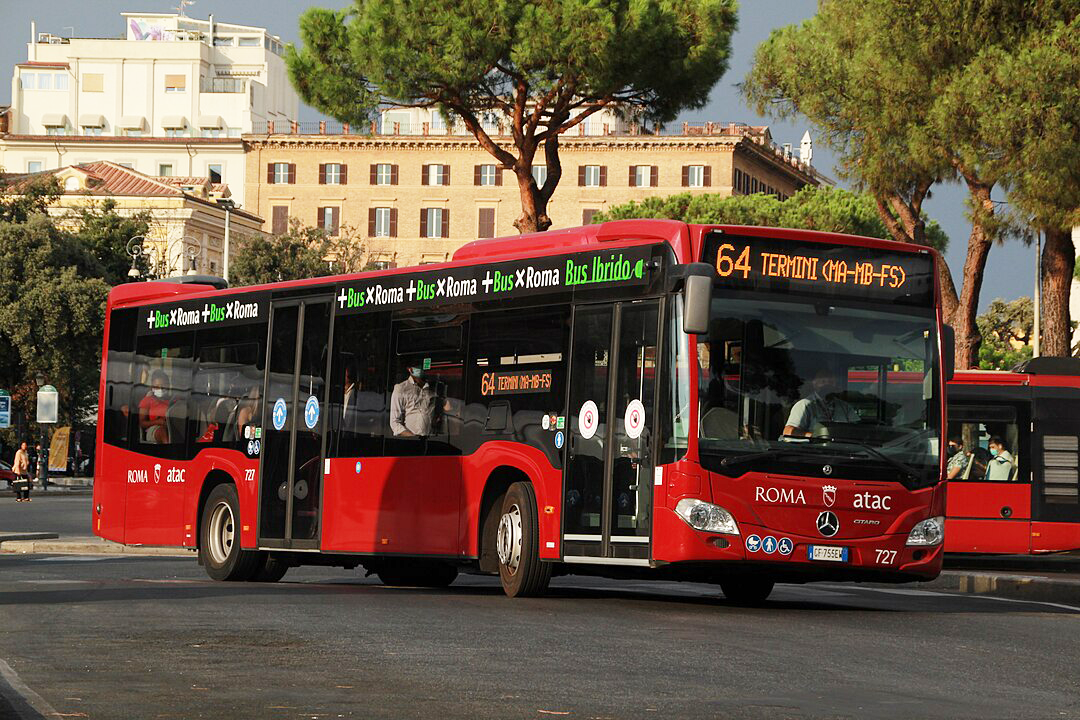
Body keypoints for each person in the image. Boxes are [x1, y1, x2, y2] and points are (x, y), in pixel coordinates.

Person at [782, 363, 860, 437]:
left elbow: (858, 430)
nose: (827, 384)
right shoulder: (805, 405)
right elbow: (788, 432)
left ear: (836, 384)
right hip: (814, 449)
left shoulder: (845, 407)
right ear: (814, 383)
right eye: (823, 381)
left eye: (831, 381)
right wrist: (814, 437)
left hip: (843, 449)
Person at [389, 365, 436, 437]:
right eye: (417, 366)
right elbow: (395, 423)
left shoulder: (432, 389)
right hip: (410, 441)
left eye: (421, 366)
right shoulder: (401, 388)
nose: (420, 369)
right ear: (409, 369)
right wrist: (413, 437)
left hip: (431, 441)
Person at [138, 370, 171, 444]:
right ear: (152, 387)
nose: (161, 389)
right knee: (162, 431)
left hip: (171, 428)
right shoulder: (147, 400)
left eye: (163, 386)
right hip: (154, 429)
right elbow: (142, 423)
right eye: (157, 386)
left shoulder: (172, 400)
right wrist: (158, 422)